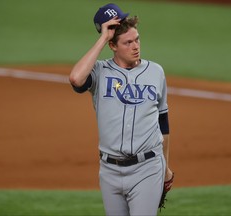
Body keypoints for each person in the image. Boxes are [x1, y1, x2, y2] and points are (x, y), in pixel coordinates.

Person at [69, 3, 173, 216]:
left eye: (137, 39)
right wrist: (102, 39)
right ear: (113, 46)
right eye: (127, 42)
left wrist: (165, 167)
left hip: (147, 168)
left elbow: (163, 123)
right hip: (109, 170)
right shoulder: (100, 71)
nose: (135, 46)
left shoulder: (155, 71)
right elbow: (76, 79)